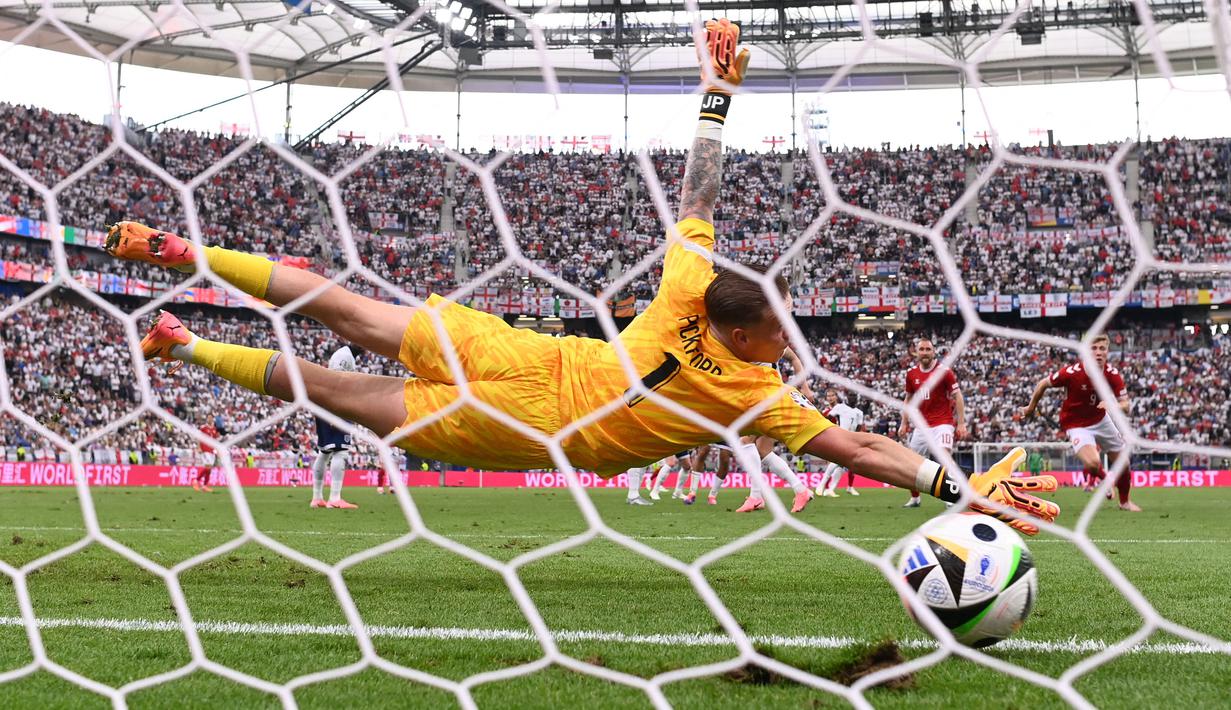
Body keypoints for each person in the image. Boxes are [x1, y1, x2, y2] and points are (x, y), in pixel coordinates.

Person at [103, 18, 1057, 535]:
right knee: (341, 386)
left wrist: (717, 96)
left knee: (350, 319)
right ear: (742, 338)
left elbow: (698, 187)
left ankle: (188, 267)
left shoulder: (691, 283)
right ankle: (186, 333)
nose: (789, 344)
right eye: (778, 336)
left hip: (526, 357)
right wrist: (952, 491)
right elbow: (859, 454)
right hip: (534, 423)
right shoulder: (755, 398)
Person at [1020, 333, 1138, 511]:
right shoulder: (1072, 373)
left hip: (1101, 419)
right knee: (1092, 463)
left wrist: (1114, 406)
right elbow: (1043, 384)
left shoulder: (1112, 375)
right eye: (1094, 348)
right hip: (1076, 424)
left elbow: (1126, 405)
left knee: (1124, 463)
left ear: (1107, 351)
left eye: (1102, 348)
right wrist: (1030, 408)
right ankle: (1105, 479)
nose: (1098, 352)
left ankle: (1124, 502)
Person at [898, 338, 967, 508]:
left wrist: (961, 423)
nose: (925, 352)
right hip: (921, 427)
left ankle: (952, 496)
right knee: (910, 463)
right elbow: (908, 399)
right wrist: (904, 422)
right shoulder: (911, 374)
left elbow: (957, 396)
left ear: (933, 351)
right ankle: (915, 498)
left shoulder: (944, 371)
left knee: (944, 457)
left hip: (943, 423)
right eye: (921, 349)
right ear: (916, 352)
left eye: (928, 349)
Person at [310, 345, 360, 510]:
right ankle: (335, 498)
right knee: (341, 451)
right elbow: (337, 380)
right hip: (335, 404)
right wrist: (335, 409)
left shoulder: (344, 355)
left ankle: (317, 498)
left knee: (324, 452)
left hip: (325, 402)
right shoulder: (344, 356)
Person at [816, 389, 865, 497]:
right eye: (850, 396)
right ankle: (822, 484)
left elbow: (858, 428)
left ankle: (830, 489)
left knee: (842, 465)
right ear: (847, 398)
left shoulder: (859, 412)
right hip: (840, 437)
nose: (852, 398)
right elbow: (827, 418)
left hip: (851, 440)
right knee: (837, 461)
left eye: (854, 396)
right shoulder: (840, 407)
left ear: (857, 399)